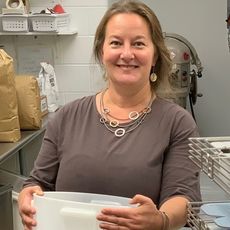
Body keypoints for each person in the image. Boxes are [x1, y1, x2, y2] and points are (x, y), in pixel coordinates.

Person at [18, 0, 201, 229]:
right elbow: (38, 182)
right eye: (116, 43)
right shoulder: (67, 117)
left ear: (155, 56)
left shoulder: (177, 123)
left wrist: (161, 220)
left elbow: (183, 197)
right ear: (101, 51)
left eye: (138, 44)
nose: (126, 54)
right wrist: (28, 194)